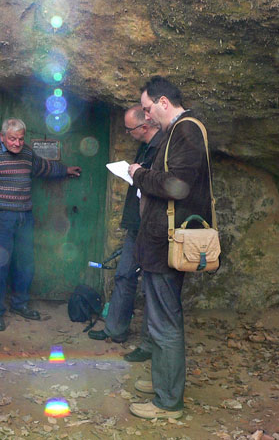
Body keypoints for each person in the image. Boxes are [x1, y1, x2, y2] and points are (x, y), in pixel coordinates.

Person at [126, 76, 213, 420]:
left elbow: (177, 185)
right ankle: (163, 382)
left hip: (167, 243)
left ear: (163, 102)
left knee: (165, 323)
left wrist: (139, 174)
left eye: (147, 109)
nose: (146, 117)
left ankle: (168, 402)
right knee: (162, 318)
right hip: (161, 241)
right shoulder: (176, 132)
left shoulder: (186, 130)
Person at [0, 118, 81, 332]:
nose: (17, 144)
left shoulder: (27, 153)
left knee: (25, 263)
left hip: (24, 216)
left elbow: (43, 167)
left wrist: (65, 170)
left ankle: (20, 304)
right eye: (12, 139)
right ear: (2, 137)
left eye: (21, 139)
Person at [87, 106, 162, 364]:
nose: (127, 133)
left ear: (144, 126)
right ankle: (115, 329)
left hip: (152, 227)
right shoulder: (145, 146)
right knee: (124, 275)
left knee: (153, 286)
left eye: (129, 129)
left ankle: (148, 344)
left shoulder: (161, 148)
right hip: (136, 224)